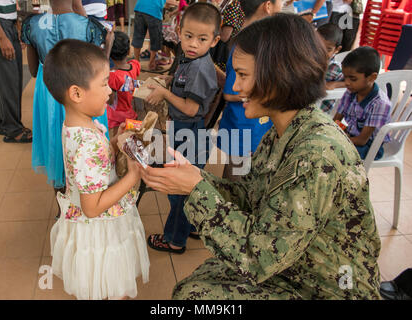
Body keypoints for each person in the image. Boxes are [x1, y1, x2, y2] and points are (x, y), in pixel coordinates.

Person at [140, 13, 382, 300]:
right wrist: (195, 180)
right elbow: (253, 196)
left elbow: (258, 258)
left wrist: (196, 189)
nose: (236, 88)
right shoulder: (283, 129)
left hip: (326, 287)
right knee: (194, 286)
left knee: (195, 297)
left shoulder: (318, 154)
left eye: (242, 75)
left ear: (280, 76)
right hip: (295, 266)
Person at [44, 39, 150, 300]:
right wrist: (134, 175)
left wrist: (114, 143)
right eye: (104, 84)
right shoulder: (87, 144)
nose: (109, 91)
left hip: (87, 224)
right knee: (111, 287)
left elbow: (94, 168)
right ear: (77, 93)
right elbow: (92, 207)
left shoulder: (78, 126)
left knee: (103, 286)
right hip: (101, 229)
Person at [144, 2, 221, 254]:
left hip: (191, 130)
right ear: (179, 30)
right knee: (184, 184)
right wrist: (168, 81)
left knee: (179, 189)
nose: (193, 44)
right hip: (183, 129)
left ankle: (174, 240)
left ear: (214, 41)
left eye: (202, 39)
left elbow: (190, 108)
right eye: (188, 36)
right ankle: (189, 224)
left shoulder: (199, 67)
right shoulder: (187, 57)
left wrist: (165, 93)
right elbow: (181, 82)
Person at [21, 0, 111, 212]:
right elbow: (98, 68)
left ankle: (63, 208)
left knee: (56, 145)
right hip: (84, 92)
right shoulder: (88, 26)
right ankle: (92, 197)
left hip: (49, 93)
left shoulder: (33, 25)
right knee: (87, 142)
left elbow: (34, 71)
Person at [217, 0, 280, 181]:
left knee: (237, 175)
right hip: (245, 126)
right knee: (237, 179)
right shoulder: (249, 44)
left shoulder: (251, 40)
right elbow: (231, 92)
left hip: (248, 125)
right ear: (268, 6)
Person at [0, 0, 32, 143]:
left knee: (11, 77)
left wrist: (16, 27)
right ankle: (13, 130)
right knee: (7, 78)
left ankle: (6, 123)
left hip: (7, 22)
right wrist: (2, 37)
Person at [333, 46, 391, 161]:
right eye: (345, 77)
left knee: (334, 153)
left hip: (370, 147)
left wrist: (337, 139)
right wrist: (336, 131)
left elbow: (362, 140)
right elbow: (337, 120)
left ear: (372, 77)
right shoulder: (351, 92)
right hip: (350, 136)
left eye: (353, 79)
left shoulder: (379, 103)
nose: (347, 83)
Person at [107, 31, 140, 134]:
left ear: (110, 56)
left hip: (117, 115)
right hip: (129, 109)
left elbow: (110, 101)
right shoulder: (135, 65)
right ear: (129, 51)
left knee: (117, 138)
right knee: (126, 139)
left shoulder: (112, 76)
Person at [317, 23, 345, 114]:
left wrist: (335, 84)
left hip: (321, 111)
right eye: (318, 46)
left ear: (337, 49)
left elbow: (353, 83)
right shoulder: (308, 59)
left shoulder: (336, 68)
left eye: (328, 49)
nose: (322, 51)